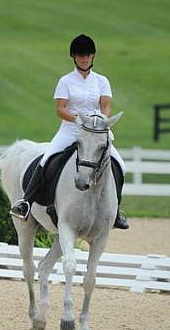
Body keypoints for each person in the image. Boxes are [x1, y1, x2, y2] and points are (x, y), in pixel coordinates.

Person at [10, 34, 129, 230]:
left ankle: (115, 212)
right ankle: (26, 203)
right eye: (81, 55)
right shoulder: (65, 81)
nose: (85, 59)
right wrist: (78, 120)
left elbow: (106, 106)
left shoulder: (102, 81)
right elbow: (60, 109)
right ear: (74, 57)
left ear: (93, 57)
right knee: (45, 160)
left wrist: (101, 121)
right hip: (70, 131)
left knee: (121, 166)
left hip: (95, 132)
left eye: (88, 55)